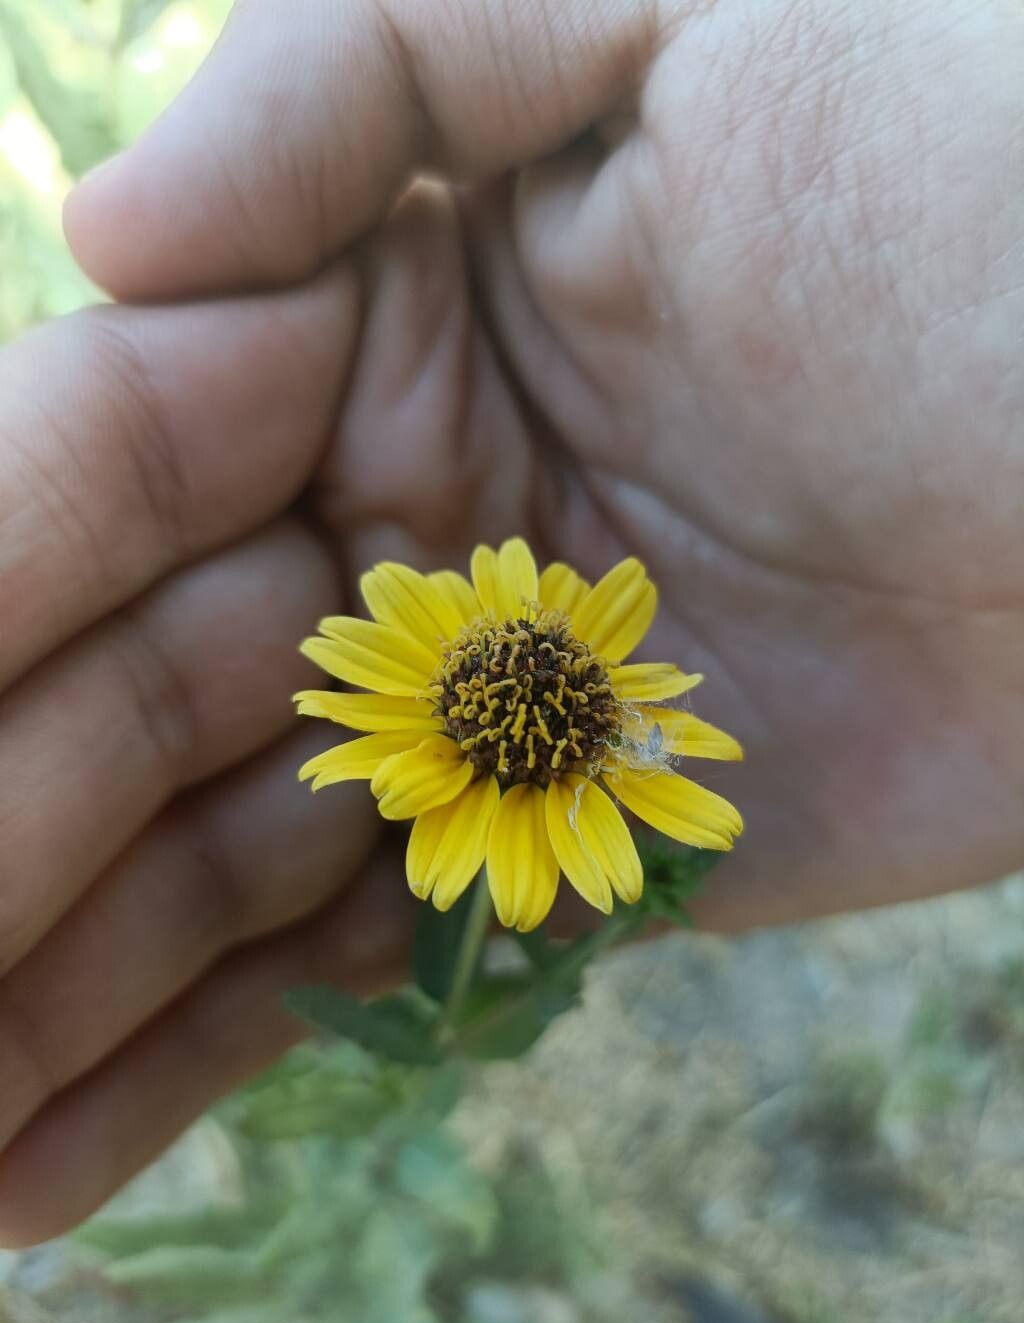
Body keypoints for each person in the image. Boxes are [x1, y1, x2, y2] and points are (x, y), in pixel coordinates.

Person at [0, 0, 1020, 1246]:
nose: (548, 648)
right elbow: (365, 691)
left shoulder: (587, 738)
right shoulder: (451, 689)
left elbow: (583, 764)